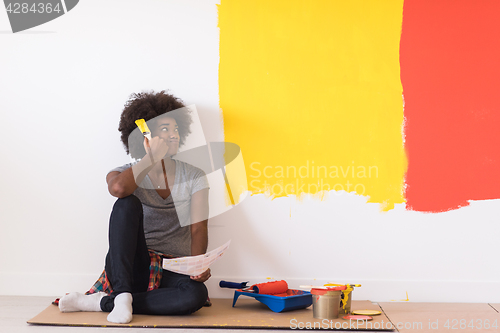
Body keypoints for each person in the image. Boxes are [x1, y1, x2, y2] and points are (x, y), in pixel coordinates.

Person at [58, 91, 210, 324]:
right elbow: (118, 189)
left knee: (195, 296)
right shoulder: (122, 173)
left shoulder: (194, 176)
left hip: (173, 266)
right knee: (126, 202)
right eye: (164, 130)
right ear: (144, 136)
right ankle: (122, 293)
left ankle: (105, 302)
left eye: (175, 129)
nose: (173, 135)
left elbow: (198, 228)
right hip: (132, 268)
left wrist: (198, 265)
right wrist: (151, 158)